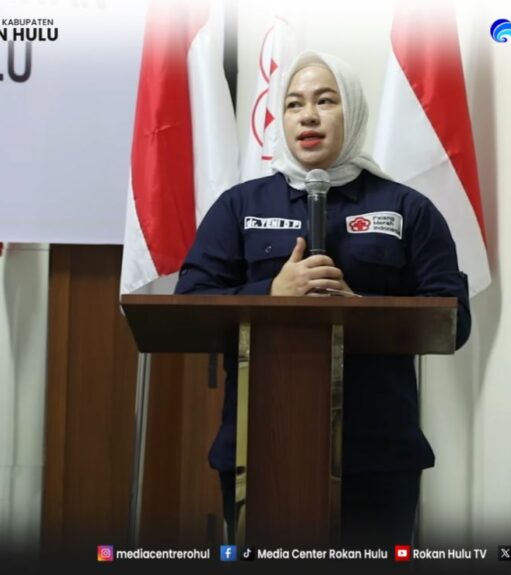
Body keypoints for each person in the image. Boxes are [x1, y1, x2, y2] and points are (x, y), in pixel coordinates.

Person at [174, 50, 471, 547]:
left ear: (352, 110)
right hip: (259, 447)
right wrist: (271, 293)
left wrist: (360, 309)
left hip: (377, 455)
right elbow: (190, 305)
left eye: (325, 101)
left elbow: (453, 320)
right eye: (293, 104)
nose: (308, 116)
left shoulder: (407, 209)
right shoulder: (239, 206)